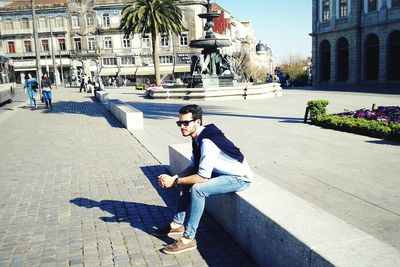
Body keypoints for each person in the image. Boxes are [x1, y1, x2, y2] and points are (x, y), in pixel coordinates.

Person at [156, 104, 253, 254]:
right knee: (187, 181)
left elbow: (202, 177)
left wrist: (174, 181)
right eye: (179, 123)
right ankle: (177, 224)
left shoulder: (207, 142)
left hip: (239, 178)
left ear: (198, 122)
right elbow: (193, 168)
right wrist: (174, 177)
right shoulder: (197, 138)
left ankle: (188, 239)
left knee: (198, 189)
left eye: (186, 123)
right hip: (221, 173)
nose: (182, 126)